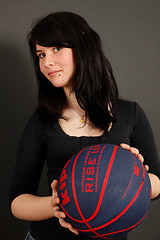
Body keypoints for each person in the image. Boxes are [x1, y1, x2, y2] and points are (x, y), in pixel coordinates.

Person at [9, 12, 160, 240]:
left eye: (56, 48)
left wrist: (135, 173)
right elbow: (17, 201)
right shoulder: (42, 120)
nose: (46, 61)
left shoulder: (131, 114)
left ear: (83, 49)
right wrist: (54, 206)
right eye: (41, 54)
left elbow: (157, 185)